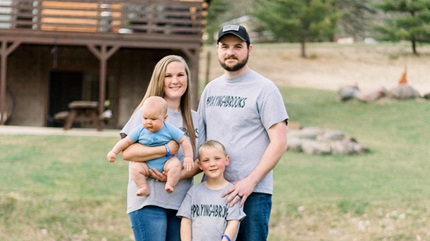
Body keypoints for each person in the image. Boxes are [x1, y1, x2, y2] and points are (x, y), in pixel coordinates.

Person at [198, 24, 289, 240]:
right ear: (217, 50)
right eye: (225, 46)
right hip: (214, 192)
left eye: (238, 46)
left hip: (253, 194)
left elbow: (279, 141)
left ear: (249, 49)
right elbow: (200, 142)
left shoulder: (265, 89)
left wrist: (250, 181)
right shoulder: (210, 89)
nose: (230, 52)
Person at [119, 55, 205, 241]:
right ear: (160, 79)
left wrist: (175, 176)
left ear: (187, 79)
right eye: (168, 76)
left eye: (180, 75)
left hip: (182, 204)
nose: (175, 81)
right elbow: (127, 152)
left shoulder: (196, 119)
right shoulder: (147, 113)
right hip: (148, 201)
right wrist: (166, 150)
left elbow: (200, 162)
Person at [107, 96, 194, 196]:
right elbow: (126, 142)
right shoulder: (140, 130)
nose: (148, 122)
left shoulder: (169, 129)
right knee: (135, 167)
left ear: (164, 118)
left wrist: (188, 157)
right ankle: (143, 187)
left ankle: (170, 184)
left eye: (153, 119)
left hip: (166, 162)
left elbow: (184, 140)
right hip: (146, 164)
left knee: (176, 164)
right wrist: (114, 151)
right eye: (145, 118)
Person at [177, 140, 246, 241]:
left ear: (227, 160)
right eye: (206, 160)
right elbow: (186, 220)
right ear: (199, 164)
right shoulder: (194, 191)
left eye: (217, 158)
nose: (212, 164)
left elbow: (233, 222)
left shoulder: (232, 192)